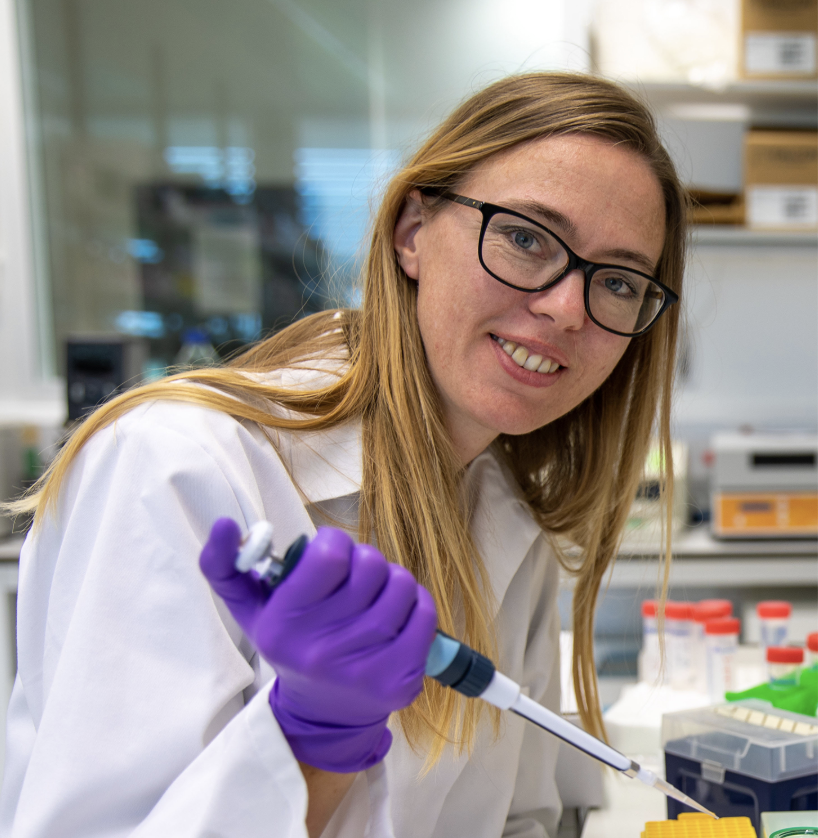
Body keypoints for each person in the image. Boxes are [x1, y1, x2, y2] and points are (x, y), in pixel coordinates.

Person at [0, 72, 685, 838]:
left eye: (619, 282)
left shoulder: (501, 507)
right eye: (525, 238)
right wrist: (312, 739)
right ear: (412, 231)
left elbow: (517, 819)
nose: (565, 308)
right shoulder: (179, 466)